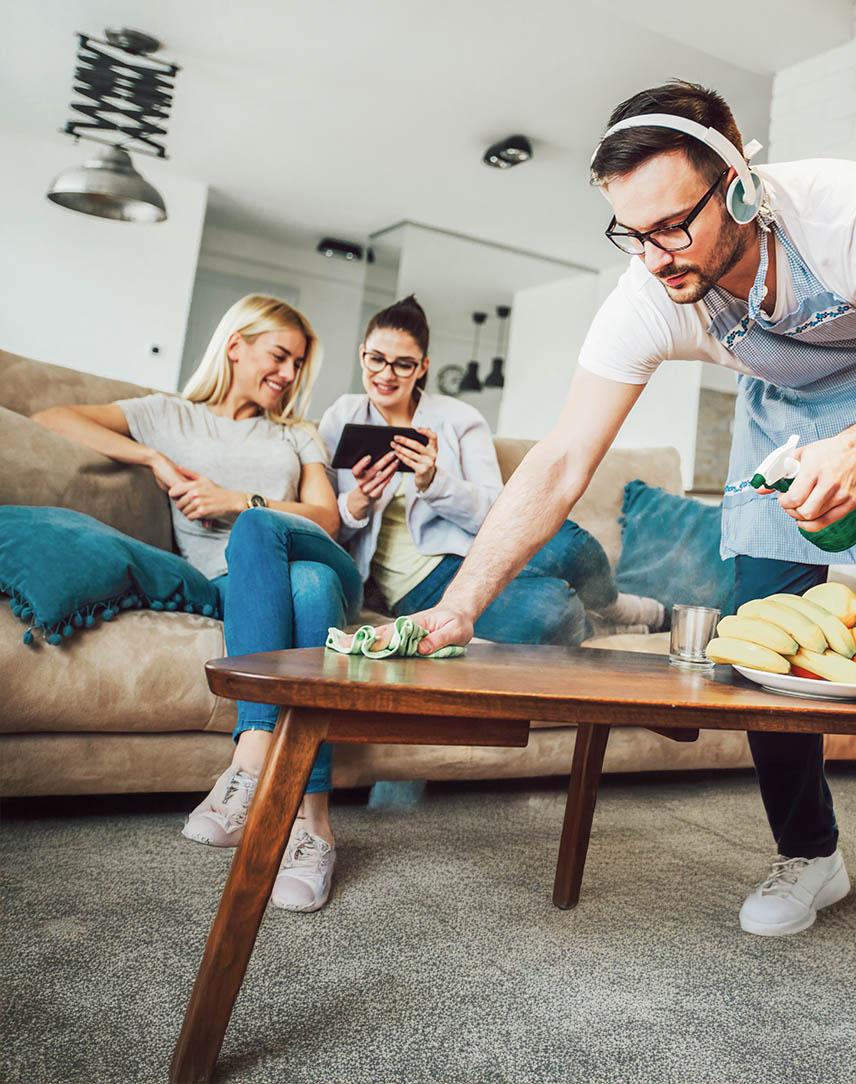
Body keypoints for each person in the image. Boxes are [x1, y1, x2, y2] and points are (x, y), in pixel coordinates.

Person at [407, 81, 856, 937]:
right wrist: (459, 603)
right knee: (760, 624)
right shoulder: (650, 293)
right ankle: (811, 854)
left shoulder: (838, 212)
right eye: (633, 234)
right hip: (786, 421)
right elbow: (562, 459)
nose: (654, 257)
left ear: (741, 186)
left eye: (671, 227)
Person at [32, 294, 361, 913]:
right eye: (279, 356)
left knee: (273, 541)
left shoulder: (297, 433)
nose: (289, 375)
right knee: (303, 589)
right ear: (235, 345)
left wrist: (238, 500)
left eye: (297, 365)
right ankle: (312, 823)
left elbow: (325, 518)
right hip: (236, 586)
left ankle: (250, 759)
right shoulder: (166, 415)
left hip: (318, 557)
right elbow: (50, 416)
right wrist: (152, 456)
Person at [318, 295, 664, 647]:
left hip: (483, 548)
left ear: (423, 366)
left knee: (573, 545)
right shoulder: (341, 417)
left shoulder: (460, 418)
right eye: (376, 359)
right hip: (420, 580)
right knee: (554, 609)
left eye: (402, 364)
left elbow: (495, 509)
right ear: (362, 353)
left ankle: (616, 607)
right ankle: (603, 626)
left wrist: (433, 482)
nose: (386, 374)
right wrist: (358, 502)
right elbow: (326, 525)